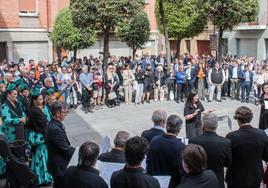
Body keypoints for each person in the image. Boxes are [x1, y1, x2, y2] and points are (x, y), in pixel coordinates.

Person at [226, 106, 268, 188]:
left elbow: (227, 160)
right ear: (251, 118)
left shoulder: (231, 136)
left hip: (235, 177)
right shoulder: (261, 134)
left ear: (237, 119)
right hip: (255, 176)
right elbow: (266, 156)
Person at [189, 112, 232, 188]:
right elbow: (228, 163)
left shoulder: (193, 141)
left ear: (203, 125)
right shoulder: (225, 142)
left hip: (199, 181)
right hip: (217, 180)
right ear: (216, 125)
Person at [147, 115, 185, 187]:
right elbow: (181, 170)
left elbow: (149, 161)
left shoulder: (154, 140)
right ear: (179, 129)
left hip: (155, 182)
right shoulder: (181, 146)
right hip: (172, 184)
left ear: (166, 126)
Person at [45, 101, 75, 188]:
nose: (66, 114)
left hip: (56, 163)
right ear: (58, 113)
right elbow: (66, 149)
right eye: (65, 112)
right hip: (59, 166)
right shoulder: (55, 129)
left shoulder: (54, 124)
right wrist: (81, 152)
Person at [27, 87, 53, 185]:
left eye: (42, 99)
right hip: (39, 137)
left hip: (38, 135)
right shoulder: (35, 111)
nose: (42, 101)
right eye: (40, 99)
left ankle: (39, 176)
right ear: (34, 100)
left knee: (38, 156)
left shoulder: (35, 109)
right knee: (41, 157)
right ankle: (43, 178)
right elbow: (43, 125)